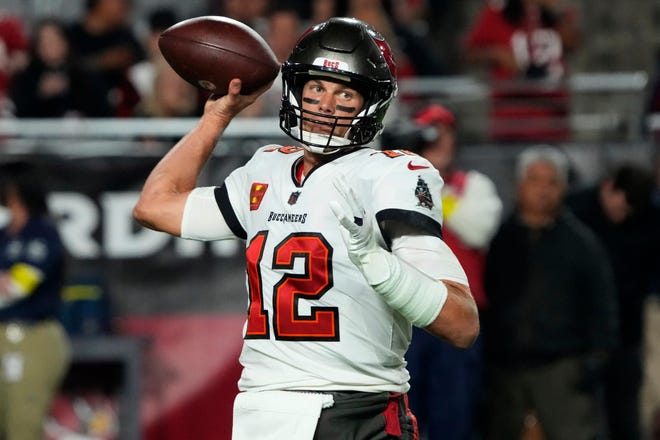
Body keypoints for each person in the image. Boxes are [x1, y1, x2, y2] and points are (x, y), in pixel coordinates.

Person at [134, 17, 479, 439]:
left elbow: (462, 324)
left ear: (371, 104)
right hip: (262, 409)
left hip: (355, 408)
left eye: (345, 93)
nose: (325, 105)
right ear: (295, 89)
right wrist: (217, 115)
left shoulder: (391, 174)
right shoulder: (266, 168)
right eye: (315, 87)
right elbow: (155, 206)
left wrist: (383, 268)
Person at [482, 145, 619, 440]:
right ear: (520, 186)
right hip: (507, 375)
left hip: (564, 373)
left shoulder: (583, 244)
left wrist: (593, 363)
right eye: (535, 180)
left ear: (564, 188)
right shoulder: (501, 241)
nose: (543, 190)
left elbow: (603, 306)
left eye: (552, 182)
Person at [394, 104, 502, 439]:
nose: (439, 140)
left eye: (446, 132)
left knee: (455, 413)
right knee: (404, 413)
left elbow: (477, 228)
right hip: (409, 316)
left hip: (458, 316)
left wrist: (432, 189)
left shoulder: (473, 184)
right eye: (431, 133)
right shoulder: (396, 183)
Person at [566, 162, 660, 440]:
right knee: (581, 421)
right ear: (608, 187)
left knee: (625, 418)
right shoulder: (575, 211)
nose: (622, 216)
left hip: (626, 335)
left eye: (629, 213)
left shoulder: (651, 219)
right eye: (619, 207)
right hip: (580, 338)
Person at [0, 162, 71, 439]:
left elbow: (16, 286)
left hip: (32, 337)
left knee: (23, 425)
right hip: (2, 334)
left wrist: (7, 280)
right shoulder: (5, 234)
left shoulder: (43, 233)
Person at [463, 0, 581, 143]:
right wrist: (497, 54)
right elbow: (469, 52)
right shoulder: (498, 9)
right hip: (511, 123)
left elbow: (573, 43)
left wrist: (556, 14)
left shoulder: (553, 12)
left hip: (553, 122)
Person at [9, 18, 110, 118]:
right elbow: (18, 112)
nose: (48, 47)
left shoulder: (83, 73)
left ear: (65, 42)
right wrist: (40, 93)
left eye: (53, 40)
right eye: (42, 42)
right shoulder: (26, 77)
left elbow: (101, 108)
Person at [66, 0, 145, 117]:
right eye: (119, 2)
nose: (125, 6)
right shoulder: (72, 35)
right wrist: (101, 62)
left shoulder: (124, 36)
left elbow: (142, 61)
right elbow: (66, 67)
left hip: (121, 115)